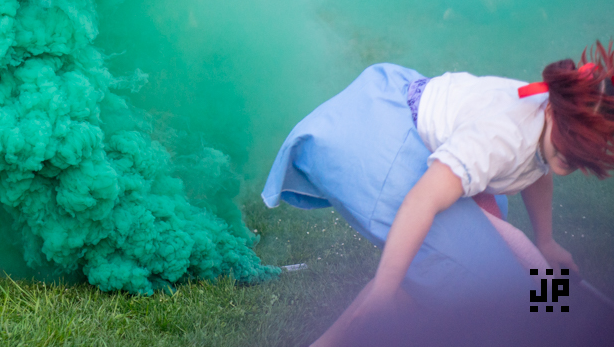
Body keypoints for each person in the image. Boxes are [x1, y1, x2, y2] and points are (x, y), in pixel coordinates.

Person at [263, 43, 614, 346]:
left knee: (481, 260)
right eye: (568, 145)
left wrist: (545, 241)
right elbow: (422, 201)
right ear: (552, 110)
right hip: (382, 145)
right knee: (488, 286)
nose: (570, 159)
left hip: (409, 120)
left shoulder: (544, 119)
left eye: (582, 154)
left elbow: (538, 168)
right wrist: (384, 290)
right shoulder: (500, 138)